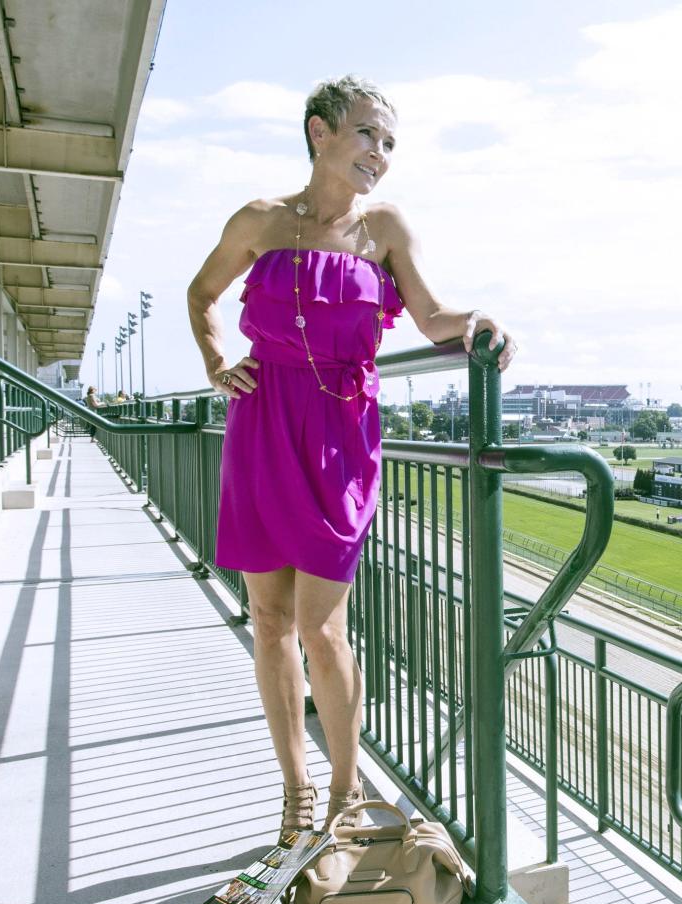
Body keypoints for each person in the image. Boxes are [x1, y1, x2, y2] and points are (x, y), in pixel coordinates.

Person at [187, 75, 517, 845]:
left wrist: (478, 321)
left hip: (339, 434)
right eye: (369, 135)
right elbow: (201, 293)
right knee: (268, 620)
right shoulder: (260, 219)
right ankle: (296, 789)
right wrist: (215, 361)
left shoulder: (386, 229)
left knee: (322, 625)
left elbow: (431, 314)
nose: (381, 155)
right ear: (320, 133)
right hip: (262, 423)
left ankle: (345, 787)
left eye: (391, 143)